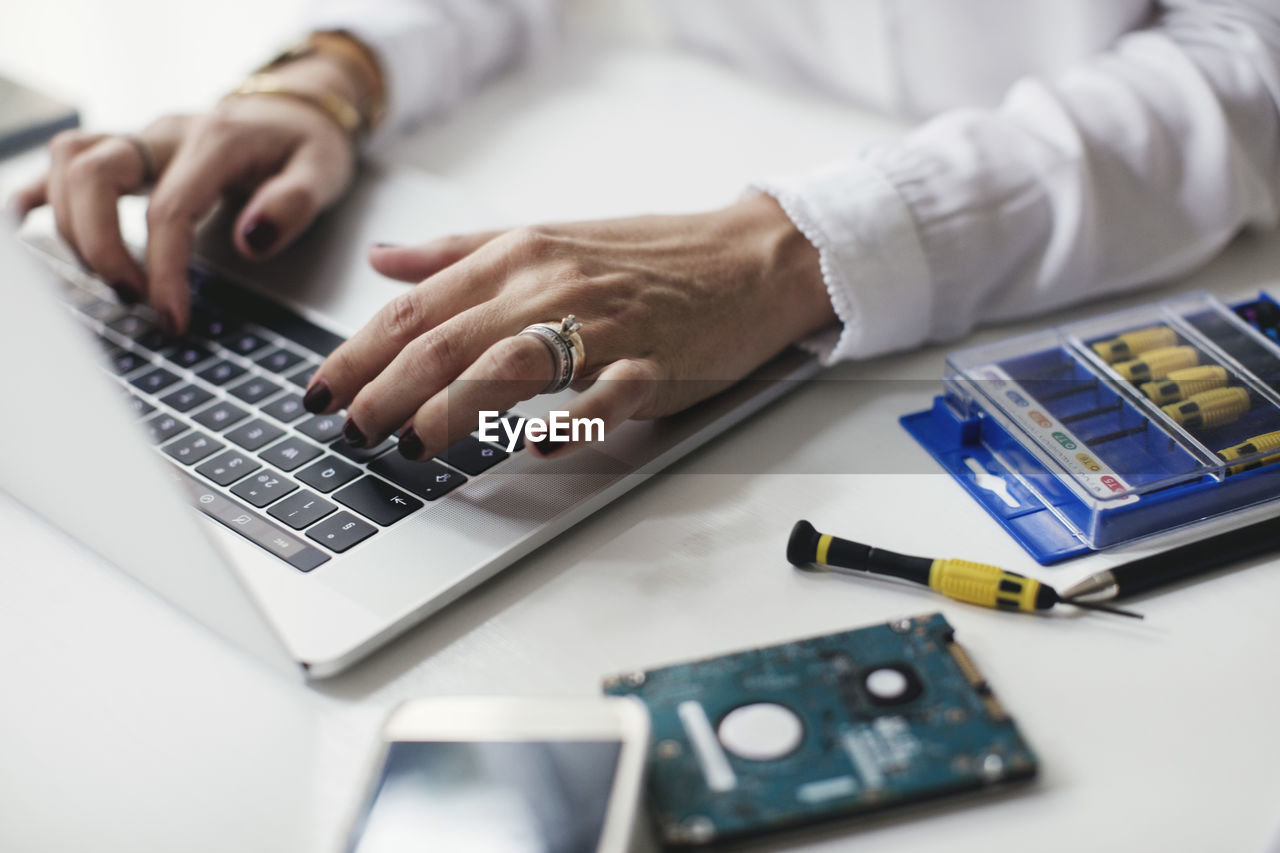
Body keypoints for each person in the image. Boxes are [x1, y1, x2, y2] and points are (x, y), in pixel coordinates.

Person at [14, 1, 1280, 460]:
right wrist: (331, 74)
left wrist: (788, 249)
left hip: (1115, 275)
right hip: (631, 139)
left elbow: (1247, 59)